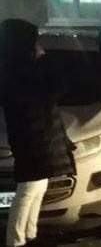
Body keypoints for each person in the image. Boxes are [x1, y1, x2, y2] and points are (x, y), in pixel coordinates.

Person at [1, 19, 76, 247]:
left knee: (38, 186)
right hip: (33, 138)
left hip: (37, 136)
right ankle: (16, 240)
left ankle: (29, 234)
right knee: (28, 188)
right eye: (35, 42)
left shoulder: (17, 69)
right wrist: (44, 60)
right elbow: (56, 88)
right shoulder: (20, 72)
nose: (39, 46)